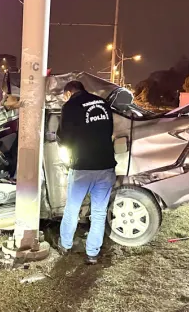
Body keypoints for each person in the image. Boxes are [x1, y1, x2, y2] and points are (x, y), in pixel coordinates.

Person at [57, 81, 117, 265]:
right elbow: (109, 130)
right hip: (106, 165)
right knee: (99, 212)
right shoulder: (103, 103)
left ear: (69, 93)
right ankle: (92, 253)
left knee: (72, 209)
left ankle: (65, 245)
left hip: (82, 166)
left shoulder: (70, 106)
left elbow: (64, 138)